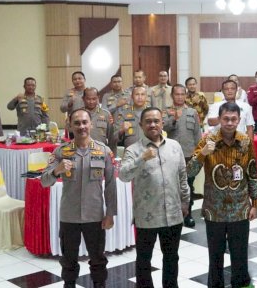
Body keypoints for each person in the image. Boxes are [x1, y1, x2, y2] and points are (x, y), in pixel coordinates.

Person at [40, 108, 116, 288]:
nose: (81, 127)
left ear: (90, 124)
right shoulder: (60, 152)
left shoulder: (103, 151)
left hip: (94, 215)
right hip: (69, 216)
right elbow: (44, 181)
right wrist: (57, 171)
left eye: (84, 122)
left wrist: (110, 213)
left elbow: (111, 184)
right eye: (77, 123)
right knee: (68, 261)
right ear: (70, 126)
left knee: (97, 259)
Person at [188, 102, 257, 288]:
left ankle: (241, 284)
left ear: (239, 120)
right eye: (225, 119)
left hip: (240, 208)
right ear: (219, 119)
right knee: (215, 256)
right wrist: (203, 154)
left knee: (240, 254)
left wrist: (255, 204)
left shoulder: (245, 141)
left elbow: (252, 173)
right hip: (214, 209)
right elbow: (189, 172)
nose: (229, 123)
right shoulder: (208, 140)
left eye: (233, 119)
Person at [119, 107, 190, 288]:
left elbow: (182, 175)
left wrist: (185, 201)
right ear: (141, 125)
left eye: (156, 121)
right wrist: (141, 158)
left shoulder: (175, 146)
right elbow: (123, 175)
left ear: (162, 123)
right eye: (148, 121)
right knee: (144, 260)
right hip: (146, 216)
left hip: (173, 214)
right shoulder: (133, 150)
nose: (152, 124)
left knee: (172, 258)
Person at [164, 84, 202, 228]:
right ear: (172, 96)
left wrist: (198, 154)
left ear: (185, 95)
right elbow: (163, 128)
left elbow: (197, 134)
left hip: (189, 155)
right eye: (177, 94)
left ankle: (188, 214)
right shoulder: (166, 111)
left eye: (182, 94)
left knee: (188, 186)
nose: (179, 97)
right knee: (172, 186)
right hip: (171, 156)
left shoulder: (192, 112)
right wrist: (174, 119)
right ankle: (174, 215)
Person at [82, 87, 118, 152]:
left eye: (94, 99)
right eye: (88, 99)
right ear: (83, 99)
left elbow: (112, 138)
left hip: (101, 152)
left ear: (98, 98)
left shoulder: (106, 114)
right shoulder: (78, 114)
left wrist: (112, 156)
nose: (91, 102)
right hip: (82, 152)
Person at [60, 71, 87, 137]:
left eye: (80, 78)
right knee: (73, 145)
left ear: (84, 79)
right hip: (73, 125)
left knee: (87, 145)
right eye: (75, 79)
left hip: (86, 124)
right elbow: (62, 109)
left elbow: (97, 108)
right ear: (72, 81)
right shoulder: (69, 92)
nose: (77, 80)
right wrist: (69, 104)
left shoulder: (89, 92)